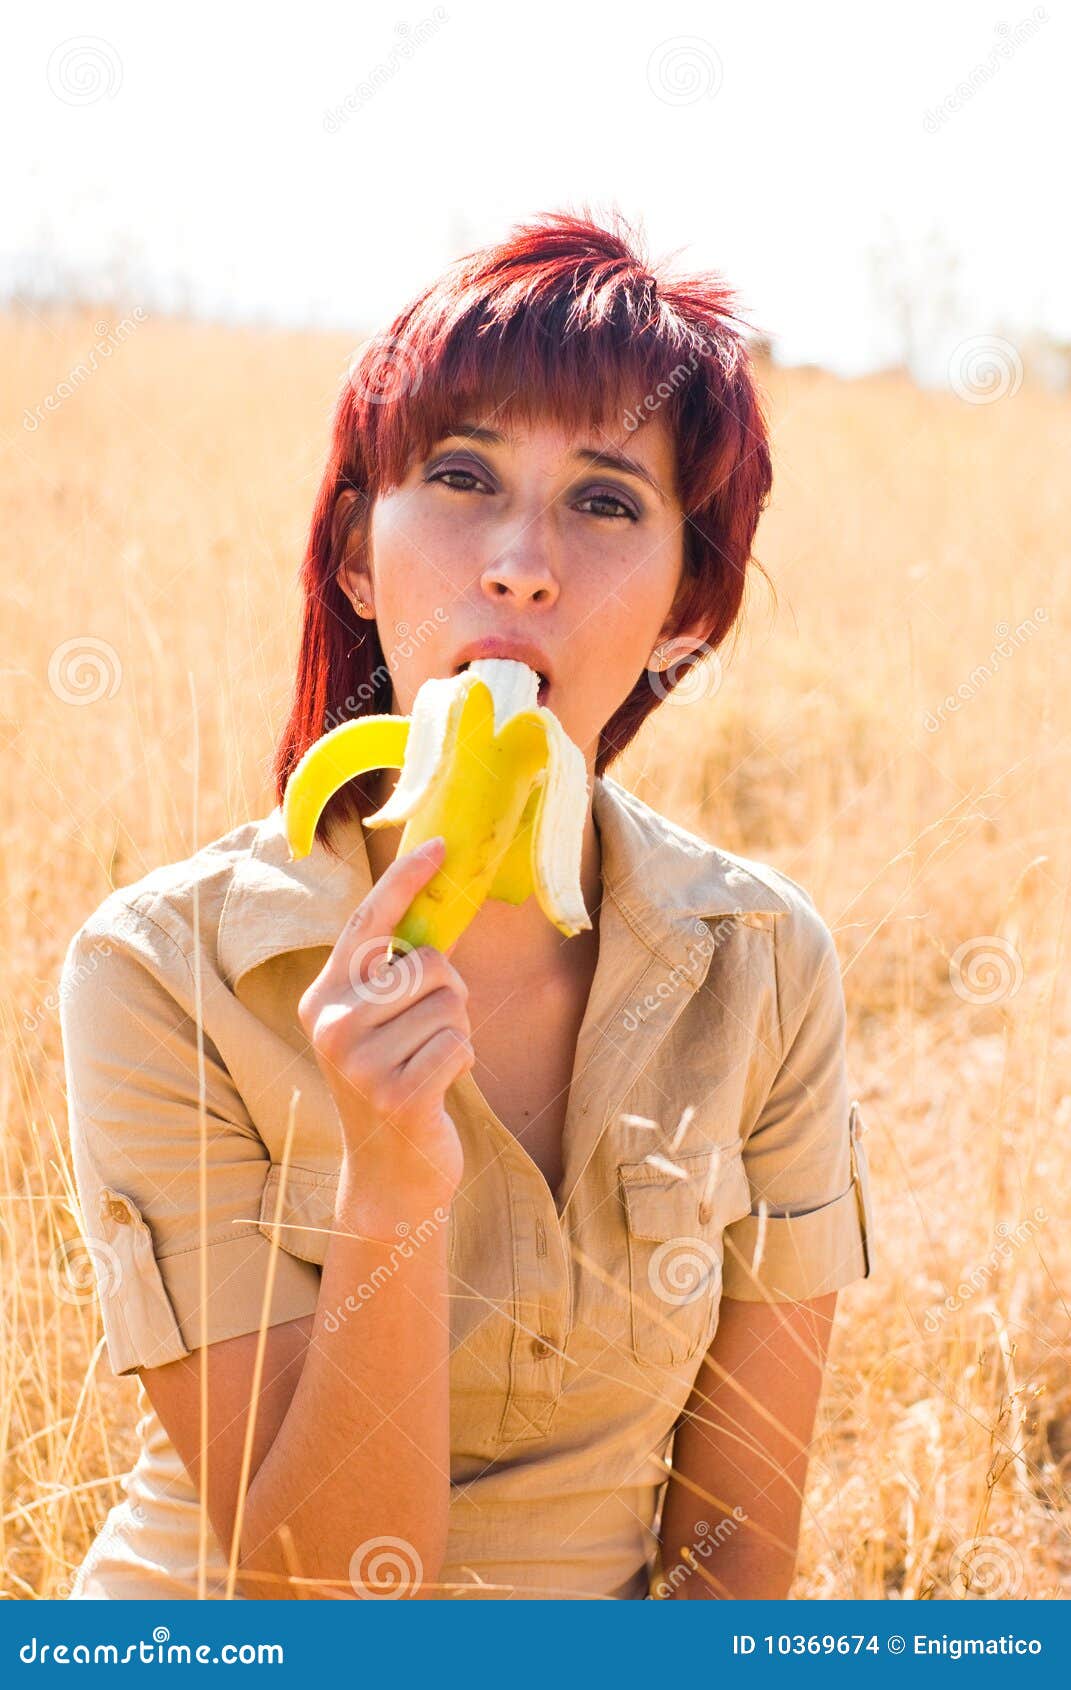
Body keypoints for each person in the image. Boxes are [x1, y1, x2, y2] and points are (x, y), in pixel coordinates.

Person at [59, 209, 873, 1601]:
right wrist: (390, 1188)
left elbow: (734, 1545)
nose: (519, 561)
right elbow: (317, 1594)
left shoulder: (765, 961)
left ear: (691, 609)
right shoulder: (160, 966)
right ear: (360, 562)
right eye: (459, 475)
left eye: (607, 499)